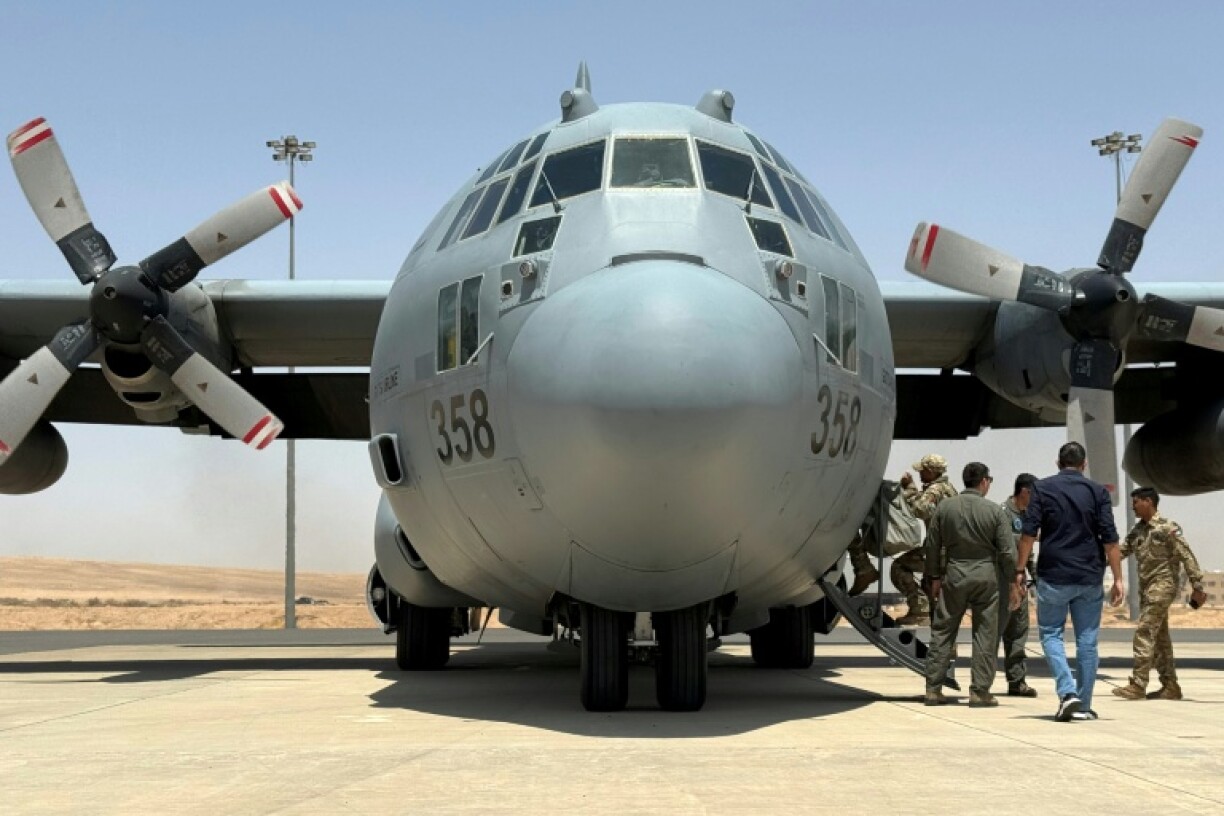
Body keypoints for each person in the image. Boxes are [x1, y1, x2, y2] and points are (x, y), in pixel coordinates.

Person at [1017, 442, 1124, 723]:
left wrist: (1019, 570)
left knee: (1051, 634)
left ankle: (1067, 693)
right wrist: (1119, 579)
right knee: (1087, 643)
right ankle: (1084, 706)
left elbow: (1028, 534)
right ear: (1084, 464)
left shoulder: (1042, 488)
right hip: (1089, 576)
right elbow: (1111, 540)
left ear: (1058, 462)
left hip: (1054, 574)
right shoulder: (1098, 491)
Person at [922, 462, 1015, 707]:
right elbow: (1007, 552)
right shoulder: (995, 511)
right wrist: (1015, 580)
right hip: (986, 577)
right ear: (984, 481)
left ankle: (933, 688)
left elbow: (932, 545)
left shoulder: (945, 508)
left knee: (943, 631)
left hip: (954, 575)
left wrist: (933, 577)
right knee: (985, 633)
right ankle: (979, 691)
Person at [1112, 487, 1208, 702]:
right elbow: (1120, 552)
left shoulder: (1167, 527)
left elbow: (1186, 555)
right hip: (1147, 590)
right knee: (1160, 638)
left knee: (1144, 630)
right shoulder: (1137, 531)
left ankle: (1138, 684)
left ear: (1148, 501)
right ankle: (1170, 686)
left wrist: (1198, 586)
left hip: (1163, 586)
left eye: (1135, 502)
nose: (1132, 506)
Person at [894, 453, 959, 625]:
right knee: (937, 601)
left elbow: (920, 510)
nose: (920, 473)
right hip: (947, 550)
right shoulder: (949, 488)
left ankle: (918, 608)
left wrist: (909, 490)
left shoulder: (935, 490)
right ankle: (945, 649)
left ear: (931, 471)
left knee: (898, 567)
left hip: (937, 551)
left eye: (923, 470)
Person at [998, 473, 1038, 697]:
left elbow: (1028, 552)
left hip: (1021, 585)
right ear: (1025, 492)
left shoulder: (1029, 516)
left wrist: (1034, 579)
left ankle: (1017, 681)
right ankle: (981, 683)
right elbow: (1002, 549)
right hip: (1003, 584)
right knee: (993, 633)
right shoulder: (1002, 513)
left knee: (1018, 633)